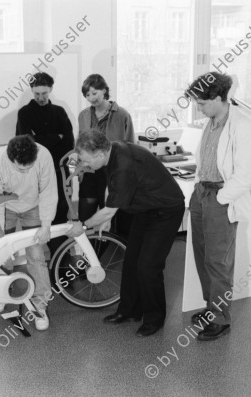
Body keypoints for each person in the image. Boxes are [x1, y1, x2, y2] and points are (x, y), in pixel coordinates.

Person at [66, 130, 184, 337]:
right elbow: (112, 189)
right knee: (131, 262)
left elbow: (110, 205)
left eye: (86, 160)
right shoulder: (113, 151)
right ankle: (129, 311)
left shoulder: (124, 164)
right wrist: (109, 216)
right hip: (144, 209)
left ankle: (154, 318)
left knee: (148, 267)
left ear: (100, 154)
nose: (84, 165)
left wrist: (83, 226)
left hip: (165, 211)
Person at [184, 72, 251, 341]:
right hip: (202, 193)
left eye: (202, 103)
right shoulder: (212, 122)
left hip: (220, 197)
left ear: (218, 98)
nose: (198, 108)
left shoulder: (243, 125)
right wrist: (198, 191)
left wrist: (220, 198)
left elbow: (247, 174)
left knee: (218, 262)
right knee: (203, 255)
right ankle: (210, 308)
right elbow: (204, 158)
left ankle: (220, 317)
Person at [0, 135, 57, 331]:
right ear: (10, 159)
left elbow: (49, 191)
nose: (25, 171)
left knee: (36, 255)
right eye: (20, 168)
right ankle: (0, 295)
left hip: (32, 206)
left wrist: (46, 225)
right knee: (0, 256)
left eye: (28, 167)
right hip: (5, 207)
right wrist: (0, 238)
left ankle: (40, 305)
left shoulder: (44, 156)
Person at [16, 72, 74, 254]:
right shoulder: (24, 113)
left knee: (61, 215)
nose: (40, 98)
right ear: (31, 91)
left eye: (44, 94)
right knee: (39, 216)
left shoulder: (59, 111)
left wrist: (40, 138)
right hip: (36, 173)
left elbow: (69, 143)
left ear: (50, 90)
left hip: (60, 171)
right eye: (37, 94)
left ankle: (61, 261)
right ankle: (43, 261)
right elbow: (25, 144)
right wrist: (55, 137)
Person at [77, 73, 135, 237]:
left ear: (104, 91)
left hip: (112, 173)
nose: (91, 98)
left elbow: (130, 145)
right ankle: (89, 257)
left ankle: (108, 255)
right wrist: (76, 170)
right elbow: (79, 146)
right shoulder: (84, 115)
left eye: (94, 93)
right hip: (89, 172)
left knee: (108, 216)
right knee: (85, 215)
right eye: (87, 95)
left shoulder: (121, 114)